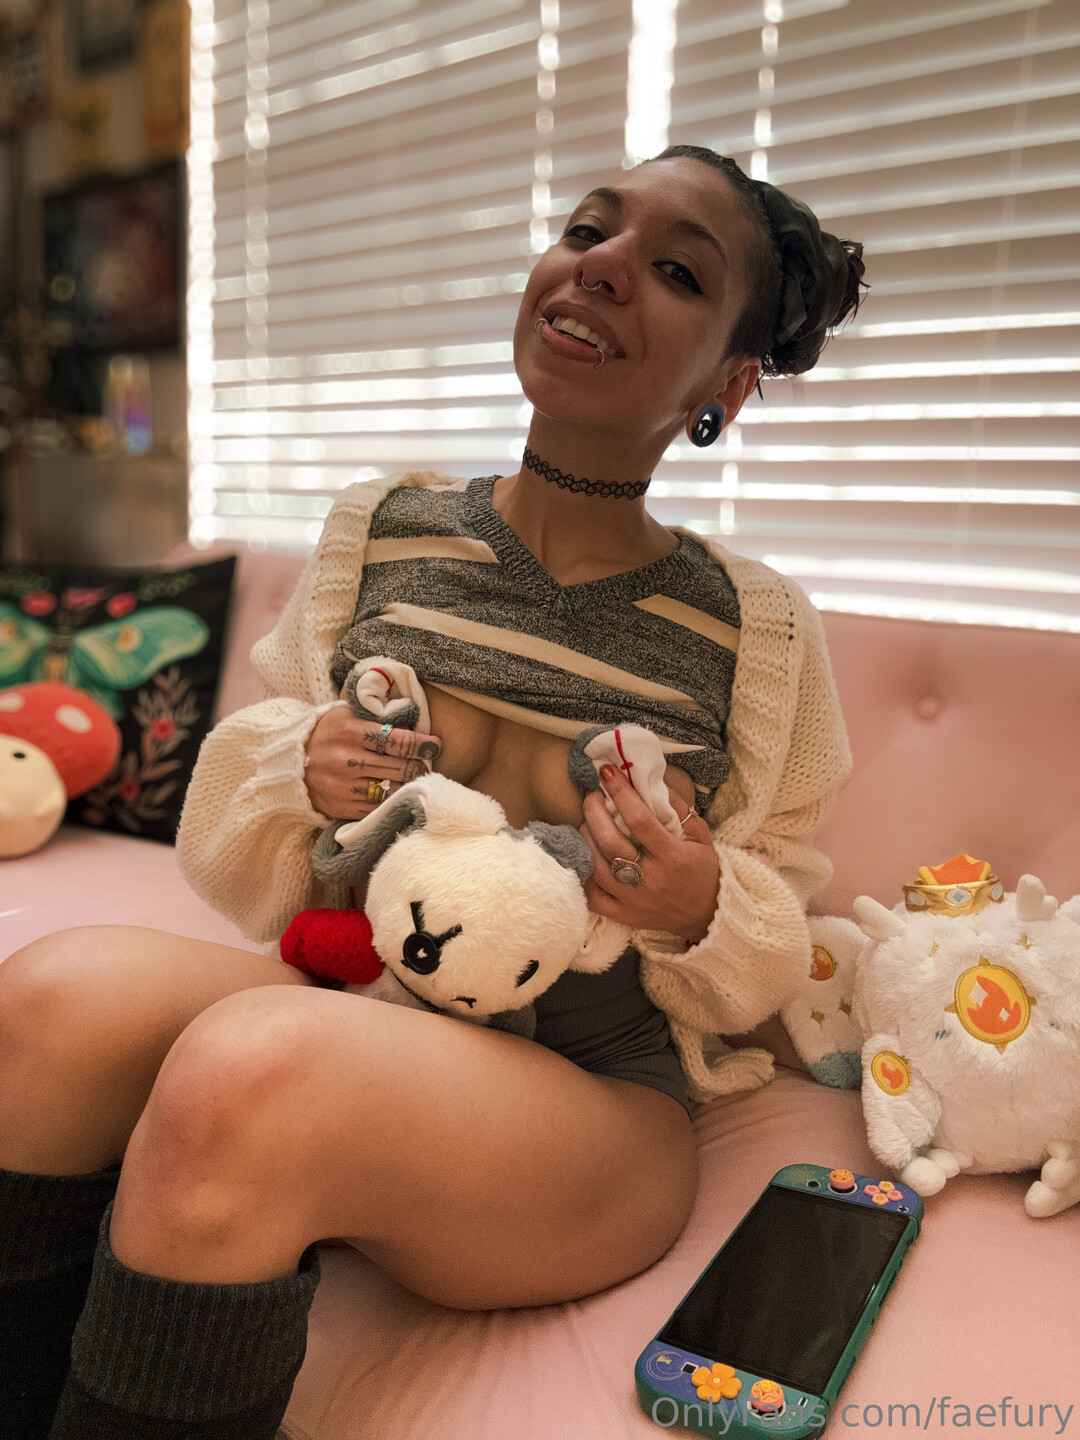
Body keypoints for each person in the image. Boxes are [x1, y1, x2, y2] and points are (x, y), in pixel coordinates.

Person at [0, 145, 863, 1439]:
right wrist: (297, 766)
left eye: (678, 272)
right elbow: (237, 852)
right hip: (358, 1000)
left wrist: (699, 905)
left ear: (728, 384)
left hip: (589, 1096)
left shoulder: (757, 629)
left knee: (250, 1068)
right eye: (589, 229)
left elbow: (770, 947)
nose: (604, 267)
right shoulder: (384, 527)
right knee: (46, 1003)